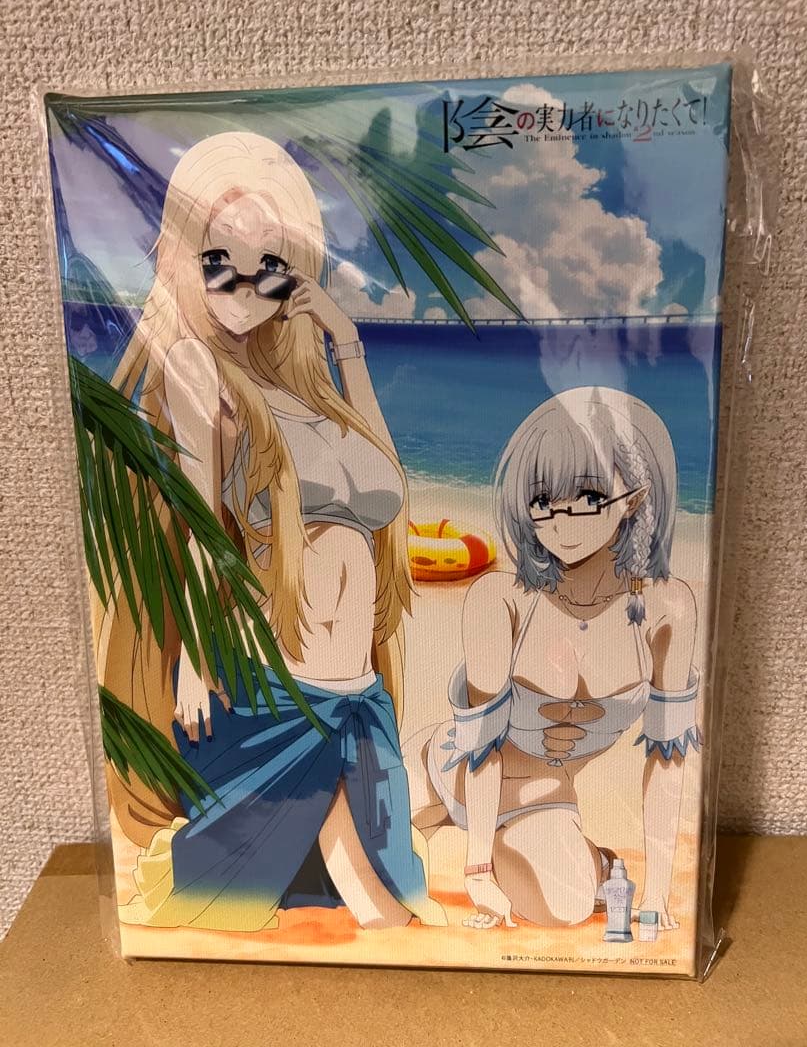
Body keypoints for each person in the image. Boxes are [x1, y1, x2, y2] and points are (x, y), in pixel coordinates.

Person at [101, 131, 443, 931]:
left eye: (271, 265)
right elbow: (196, 523)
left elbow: (387, 483)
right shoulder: (195, 370)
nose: (244, 287)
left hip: (357, 694)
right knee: (379, 905)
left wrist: (346, 342)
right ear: (182, 258)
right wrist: (191, 660)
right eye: (219, 261)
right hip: (278, 688)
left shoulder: (306, 389)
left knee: (384, 894)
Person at [406, 387, 700, 931]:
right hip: (446, 767)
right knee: (351, 860)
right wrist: (477, 870)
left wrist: (657, 895)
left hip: (539, 801)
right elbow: (480, 742)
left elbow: (668, 759)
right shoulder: (501, 598)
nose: (560, 521)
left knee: (564, 912)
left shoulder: (668, 609)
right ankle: (460, 830)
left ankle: (594, 863)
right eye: (542, 501)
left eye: (588, 496)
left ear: (635, 498)